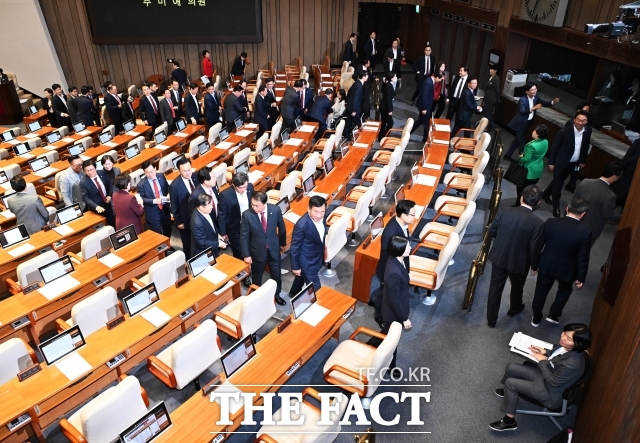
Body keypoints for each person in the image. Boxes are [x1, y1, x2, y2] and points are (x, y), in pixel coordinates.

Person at [489, 324, 592, 432]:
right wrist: (544, 351)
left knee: (511, 383)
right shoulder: (569, 348)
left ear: (577, 344)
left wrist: (541, 360)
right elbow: (558, 352)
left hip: (551, 392)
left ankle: (509, 421)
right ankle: (508, 393)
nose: (563, 338)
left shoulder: (572, 364)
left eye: (568, 338)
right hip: (548, 377)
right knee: (511, 367)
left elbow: (552, 381)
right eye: (564, 333)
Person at [486, 185, 544, 327]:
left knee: (495, 287)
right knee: (518, 287)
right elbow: (535, 248)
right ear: (538, 203)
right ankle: (514, 309)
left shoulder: (505, 211)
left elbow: (492, 231)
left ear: (521, 197)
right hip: (519, 262)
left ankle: (491, 319)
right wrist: (535, 266)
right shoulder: (538, 224)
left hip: (499, 256)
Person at [531, 198, 591, 326]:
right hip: (568, 270)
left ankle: (536, 317)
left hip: (547, 265)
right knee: (564, 291)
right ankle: (554, 315)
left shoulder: (550, 222)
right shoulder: (585, 233)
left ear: (567, 209)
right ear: (583, 214)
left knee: (540, 291)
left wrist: (535, 264)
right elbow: (583, 257)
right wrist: (581, 277)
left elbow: (538, 245)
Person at [372, 200, 415, 325]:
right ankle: (380, 317)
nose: (415, 216)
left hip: (399, 264)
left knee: (385, 293)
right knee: (385, 295)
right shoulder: (390, 233)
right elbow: (386, 256)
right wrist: (387, 277)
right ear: (403, 215)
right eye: (412, 214)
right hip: (388, 270)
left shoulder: (402, 224)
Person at [542, 111, 591, 218]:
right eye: (578, 120)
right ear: (574, 120)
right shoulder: (564, 131)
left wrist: (582, 161)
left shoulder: (588, 131)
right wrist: (551, 162)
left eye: (584, 121)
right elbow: (555, 147)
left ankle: (545, 194)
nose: (580, 123)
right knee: (558, 185)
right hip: (561, 162)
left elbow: (585, 147)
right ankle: (556, 207)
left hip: (574, 163)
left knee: (557, 180)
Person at [241, 191, 287, 305]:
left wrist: (282, 244)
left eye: (257, 205)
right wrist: (246, 255)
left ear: (265, 203)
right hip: (257, 252)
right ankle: (257, 297)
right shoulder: (247, 215)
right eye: (252, 204)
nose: (254, 207)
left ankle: (277, 295)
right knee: (257, 276)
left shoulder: (275, 210)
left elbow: (282, 228)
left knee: (276, 275)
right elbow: (244, 236)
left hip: (273, 249)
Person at [380, 235, 413, 372]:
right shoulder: (393, 272)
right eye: (407, 247)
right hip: (393, 313)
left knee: (387, 336)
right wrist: (404, 318)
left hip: (396, 306)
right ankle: (390, 367)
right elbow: (394, 300)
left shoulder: (398, 259)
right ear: (399, 250)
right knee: (392, 342)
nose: (410, 248)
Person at [505, 83, 559, 160]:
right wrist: (534, 108)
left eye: (535, 89)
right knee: (522, 142)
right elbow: (522, 112)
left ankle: (507, 155)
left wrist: (553, 102)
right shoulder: (522, 100)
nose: (534, 91)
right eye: (532, 90)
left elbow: (544, 103)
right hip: (520, 124)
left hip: (528, 123)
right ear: (527, 91)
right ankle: (522, 160)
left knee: (517, 140)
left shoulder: (535, 98)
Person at [573, 161, 623, 246]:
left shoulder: (586, 182)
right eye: (620, 176)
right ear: (614, 177)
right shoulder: (610, 196)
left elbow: (573, 199)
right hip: (589, 230)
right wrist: (624, 217)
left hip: (573, 222)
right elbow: (609, 215)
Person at [289, 196, 327, 296]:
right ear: (308, 209)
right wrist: (295, 267)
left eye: (322, 212)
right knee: (317, 290)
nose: (319, 215)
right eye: (316, 212)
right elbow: (294, 247)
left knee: (301, 277)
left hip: (317, 256)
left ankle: (293, 292)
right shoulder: (302, 225)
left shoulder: (323, 216)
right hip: (307, 262)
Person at [218, 172, 253, 266]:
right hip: (235, 227)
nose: (243, 190)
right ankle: (242, 271)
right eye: (240, 188)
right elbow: (222, 215)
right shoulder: (225, 195)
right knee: (240, 251)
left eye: (245, 186)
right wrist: (223, 232)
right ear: (234, 185)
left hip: (249, 223)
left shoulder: (250, 187)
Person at [169, 157, 199, 259]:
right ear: (179, 171)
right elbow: (174, 205)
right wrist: (178, 221)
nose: (188, 173)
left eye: (189, 169)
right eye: (185, 171)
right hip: (185, 219)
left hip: (199, 215)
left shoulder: (196, 177)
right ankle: (189, 260)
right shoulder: (175, 186)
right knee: (188, 243)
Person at [514, 125, 549, 205]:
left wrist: (521, 157)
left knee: (521, 189)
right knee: (530, 188)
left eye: (534, 131)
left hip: (528, 170)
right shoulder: (545, 142)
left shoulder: (532, 146)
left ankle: (518, 204)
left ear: (538, 134)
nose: (533, 132)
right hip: (538, 169)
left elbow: (526, 159)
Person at [138, 160, 172, 237]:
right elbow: (142, 200)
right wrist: (154, 201)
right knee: (157, 234)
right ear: (144, 172)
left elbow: (168, 188)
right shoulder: (141, 185)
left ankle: (168, 246)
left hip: (164, 208)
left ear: (155, 168)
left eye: (152, 171)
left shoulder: (161, 176)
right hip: (152, 212)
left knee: (168, 229)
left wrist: (169, 193)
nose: (150, 174)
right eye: (147, 172)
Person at [79, 160, 115, 227]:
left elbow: (110, 184)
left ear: (95, 168)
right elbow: (85, 198)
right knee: (102, 225)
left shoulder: (102, 173)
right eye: (87, 171)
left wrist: (109, 195)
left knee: (112, 220)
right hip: (97, 207)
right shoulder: (83, 183)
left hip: (107, 202)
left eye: (91, 169)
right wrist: (96, 206)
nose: (90, 172)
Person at [411, 71, 440, 142]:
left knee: (420, 121)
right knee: (426, 124)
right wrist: (424, 108)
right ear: (436, 77)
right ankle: (425, 140)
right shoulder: (429, 83)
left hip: (426, 106)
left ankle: (408, 133)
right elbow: (424, 96)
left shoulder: (429, 80)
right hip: (425, 107)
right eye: (440, 79)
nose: (440, 81)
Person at [610, 138, 639, 206]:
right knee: (613, 201)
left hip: (636, 186)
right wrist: (638, 157)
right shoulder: (638, 142)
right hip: (626, 178)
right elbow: (625, 160)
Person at [345, 71, 366, 139]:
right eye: (367, 76)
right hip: (354, 109)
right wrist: (354, 110)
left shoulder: (356, 82)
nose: (368, 77)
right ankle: (360, 137)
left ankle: (347, 136)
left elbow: (349, 92)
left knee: (348, 123)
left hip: (349, 107)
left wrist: (347, 102)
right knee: (358, 123)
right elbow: (355, 99)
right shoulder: (359, 86)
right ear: (363, 77)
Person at [378, 73, 396, 142]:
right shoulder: (389, 86)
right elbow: (388, 99)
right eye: (394, 77)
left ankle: (381, 137)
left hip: (383, 107)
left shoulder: (388, 85)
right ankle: (385, 137)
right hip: (386, 108)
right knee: (390, 123)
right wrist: (390, 110)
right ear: (391, 78)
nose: (395, 78)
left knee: (384, 122)